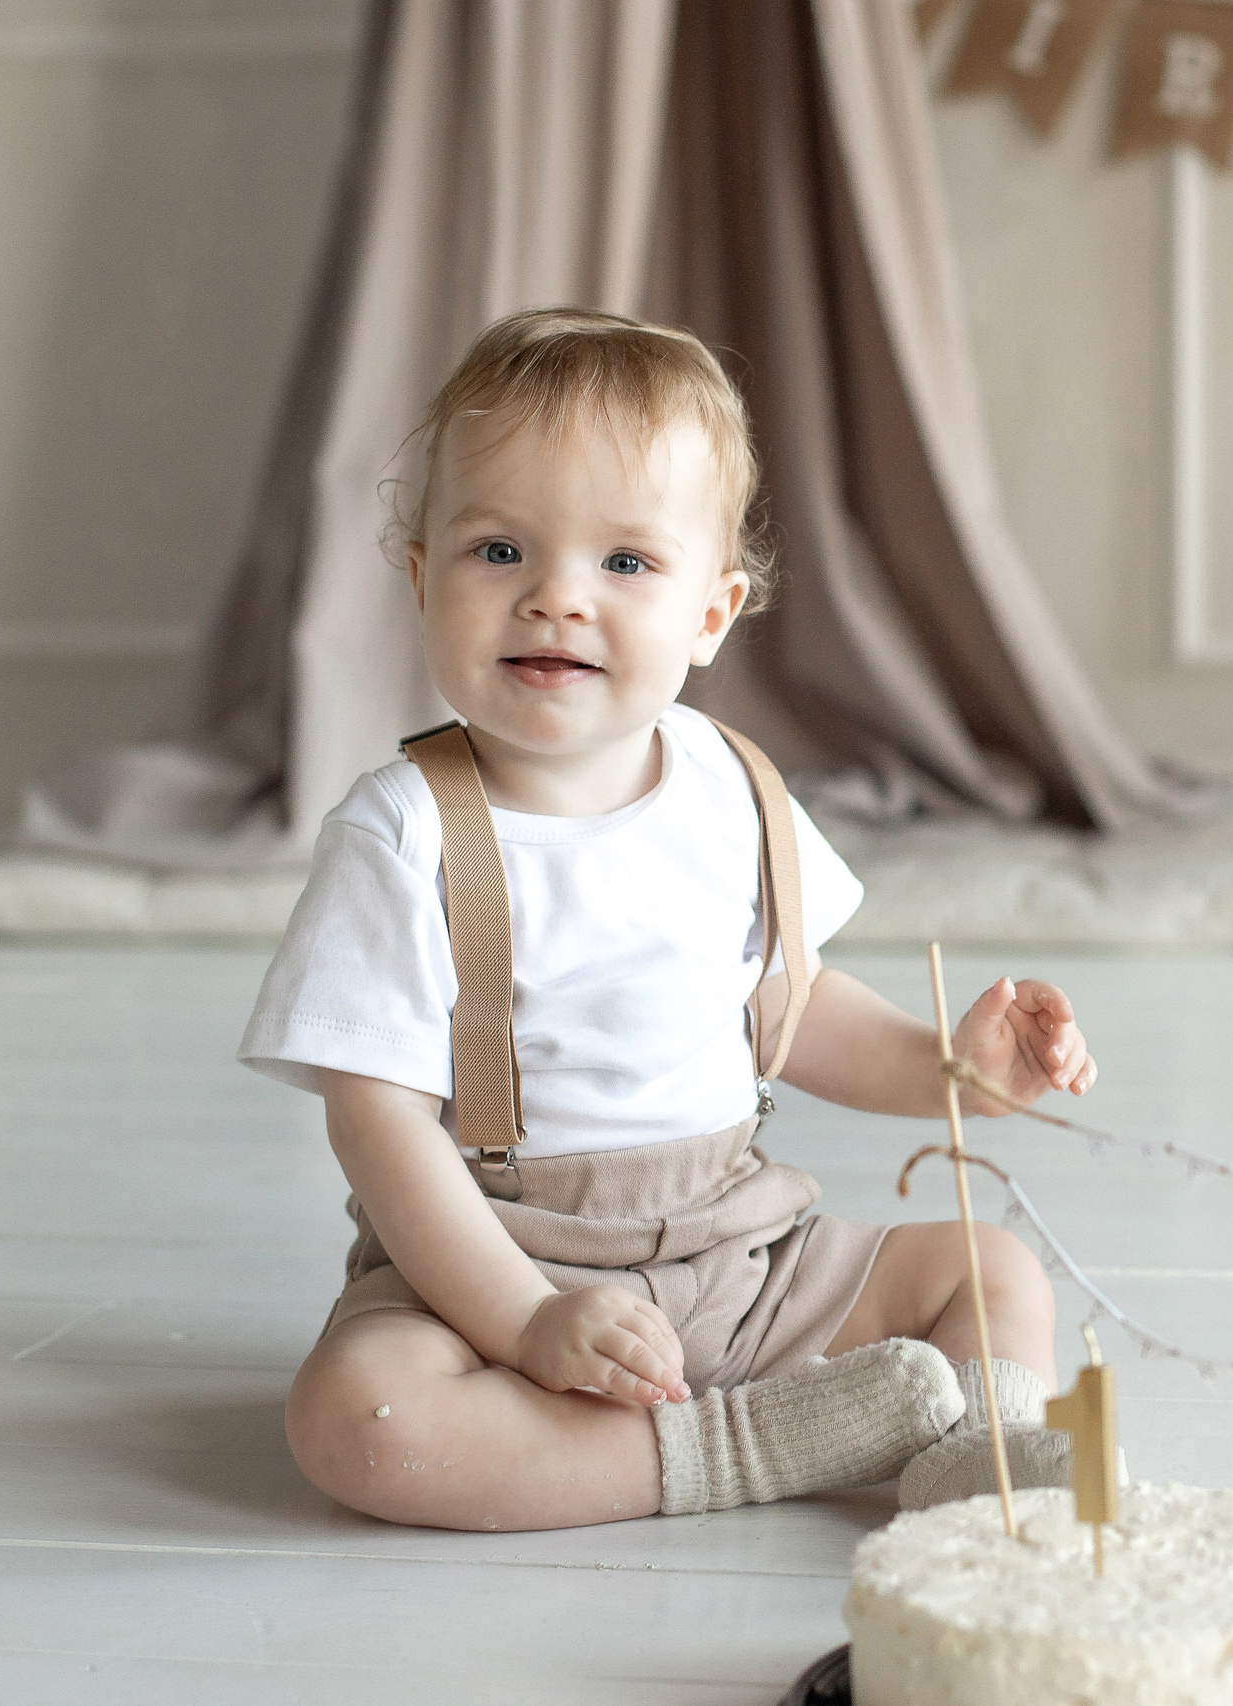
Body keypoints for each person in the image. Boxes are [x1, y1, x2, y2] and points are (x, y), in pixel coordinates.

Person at [239, 308, 1096, 1532]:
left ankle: (985, 1456)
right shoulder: (403, 832)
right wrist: (526, 1317)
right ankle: (746, 1448)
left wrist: (954, 1069)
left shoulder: (730, 786)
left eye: (625, 564)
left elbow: (787, 1012)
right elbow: (377, 1123)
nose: (554, 599)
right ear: (422, 576)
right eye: (497, 550)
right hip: (503, 1263)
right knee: (361, 1418)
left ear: (710, 612)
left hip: (744, 1259)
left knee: (989, 1265)